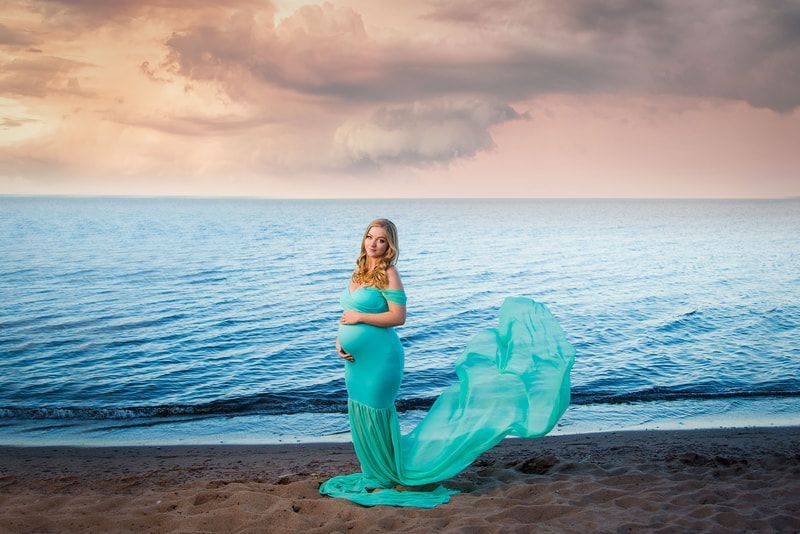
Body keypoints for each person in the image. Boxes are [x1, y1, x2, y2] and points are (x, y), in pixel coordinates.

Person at [319, 218, 575, 508]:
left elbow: (397, 317)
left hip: (381, 360)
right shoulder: (358, 270)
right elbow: (348, 312)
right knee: (359, 412)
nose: (373, 243)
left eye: (380, 239)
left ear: (389, 245)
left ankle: (386, 477)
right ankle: (374, 473)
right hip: (356, 362)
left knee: (376, 412)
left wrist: (360, 319)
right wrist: (340, 342)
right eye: (370, 236)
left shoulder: (390, 272)